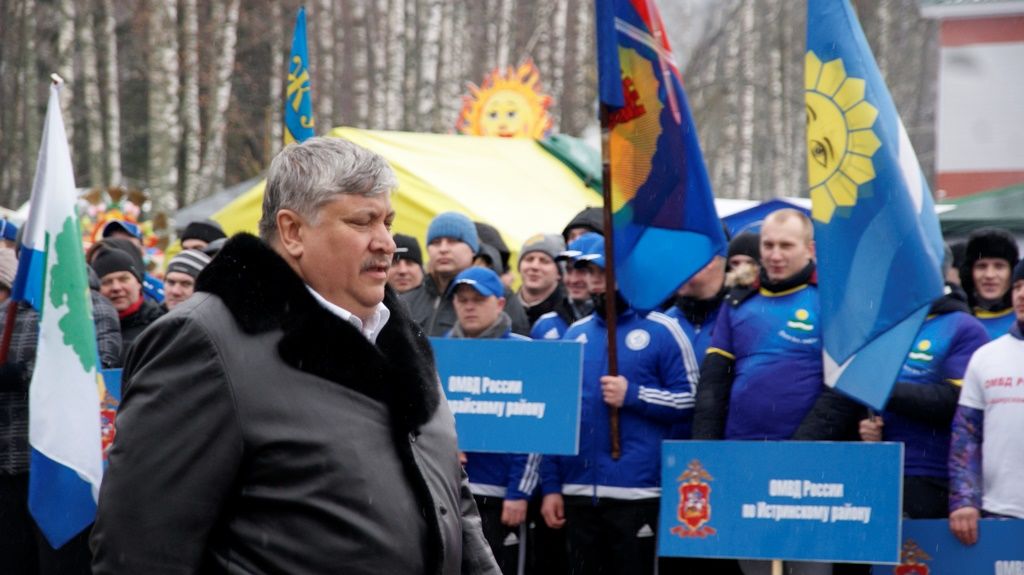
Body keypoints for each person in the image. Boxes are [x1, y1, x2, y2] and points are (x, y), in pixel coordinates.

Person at [91, 136, 499, 574]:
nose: (386, 242)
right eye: (363, 222)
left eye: (387, 221)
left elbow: (450, 498)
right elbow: (138, 547)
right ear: (293, 231)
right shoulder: (204, 343)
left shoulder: (399, 336)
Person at [539, 235, 697, 575]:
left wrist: (634, 395)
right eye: (590, 273)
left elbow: (689, 399)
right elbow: (555, 416)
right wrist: (551, 486)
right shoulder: (575, 334)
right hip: (578, 491)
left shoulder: (664, 329)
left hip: (637, 491)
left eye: (603, 273)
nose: (595, 282)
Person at [693, 209, 827, 575]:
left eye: (786, 245)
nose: (775, 255)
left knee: (808, 567)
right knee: (754, 565)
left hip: (812, 465)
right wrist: (705, 453)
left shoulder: (829, 301)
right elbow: (713, 386)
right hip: (744, 460)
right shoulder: (738, 302)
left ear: (810, 249)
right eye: (768, 245)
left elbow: (841, 389)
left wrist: (800, 446)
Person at [447, 266, 538, 575]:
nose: (469, 307)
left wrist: (518, 492)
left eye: (478, 299)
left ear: (499, 303)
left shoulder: (524, 351)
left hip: (501, 497)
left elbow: (536, 428)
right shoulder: (439, 350)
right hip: (451, 493)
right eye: (462, 300)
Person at [948, 259, 1024, 546]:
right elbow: (966, 435)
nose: (1021, 294)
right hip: (999, 512)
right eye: (1017, 286)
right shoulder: (986, 356)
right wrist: (964, 500)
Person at [402, 211, 480, 336]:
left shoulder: (491, 299)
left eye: (453, 241)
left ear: (473, 250)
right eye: (436, 242)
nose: (443, 249)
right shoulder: (405, 302)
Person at [92, 246, 164, 360]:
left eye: (123, 279)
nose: (116, 287)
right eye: (107, 282)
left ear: (138, 283)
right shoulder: (91, 330)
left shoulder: (160, 325)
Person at [505, 233, 573, 334]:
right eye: (529, 259)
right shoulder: (502, 308)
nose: (534, 266)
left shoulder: (569, 314)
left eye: (544, 261)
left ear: (559, 273)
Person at [958, 227, 1019, 339]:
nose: (989, 275)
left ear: (1013, 271)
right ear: (969, 272)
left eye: (999, 266)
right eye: (981, 266)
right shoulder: (955, 322)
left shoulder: (1021, 320)